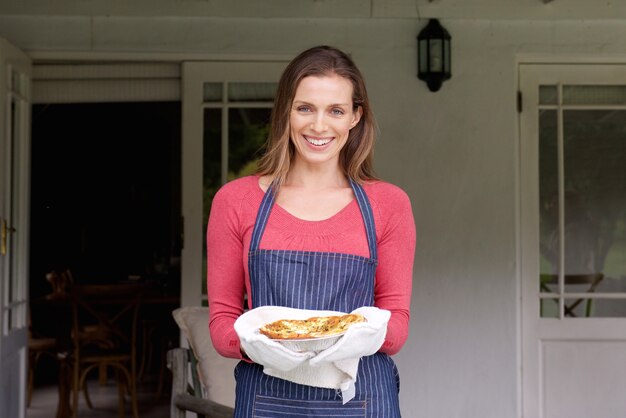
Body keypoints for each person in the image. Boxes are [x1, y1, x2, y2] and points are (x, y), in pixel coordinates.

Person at [206, 45, 416, 417]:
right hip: (267, 398)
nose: (319, 126)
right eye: (305, 108)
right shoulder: (235, 201)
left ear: (355, 117)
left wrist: (342, 341)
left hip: (362, 398)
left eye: (335, 110)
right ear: (285, 112)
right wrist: (263, 346)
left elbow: (396, 323)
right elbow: (222, 322)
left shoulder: (389, 204)